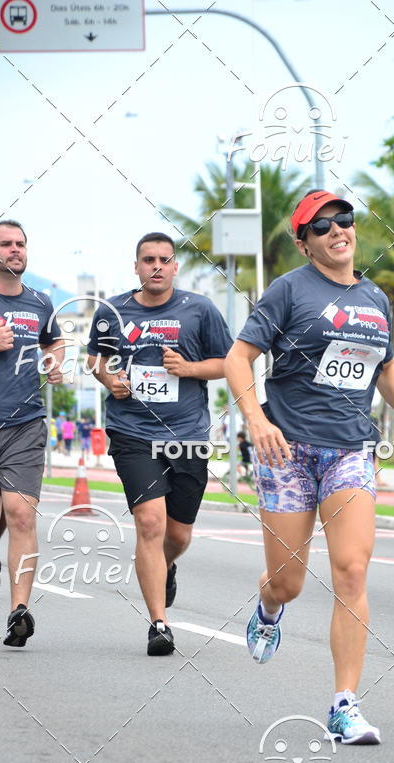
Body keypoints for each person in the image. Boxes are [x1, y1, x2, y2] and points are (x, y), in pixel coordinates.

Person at [225, 189, 394, 745]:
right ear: (305, 242)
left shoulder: (376, 299)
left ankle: (343, 705)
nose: (339, 230)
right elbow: (240, 359)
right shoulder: (289, 290)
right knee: (288, 582)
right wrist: (256, 421)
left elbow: (383, 364)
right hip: (286, 451)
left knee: (352, 572)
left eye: (345, 220)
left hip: (350, 450)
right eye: (323, 226)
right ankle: (268, 605)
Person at [87, 232, 232, 656]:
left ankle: (166, 564)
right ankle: (159, 624)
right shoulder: (113, 310)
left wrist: (188, 368)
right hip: (132, 432)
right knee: (150, 522)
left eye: (164, 260)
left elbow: (228, 362)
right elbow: (96, 357)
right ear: (136, 266)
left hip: (186, 435)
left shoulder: (199, 310)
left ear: (174, 267)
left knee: (179, 534)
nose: (156, 266)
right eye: (147, 259)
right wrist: (109, 379)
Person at [0, 220, 63, 642]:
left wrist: (54, 361)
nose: (16, 250)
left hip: (23, 425)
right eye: (6, 244)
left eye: (21, 244)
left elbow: (52, 341)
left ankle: (20, 611)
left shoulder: (40, 301)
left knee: (20, 513)